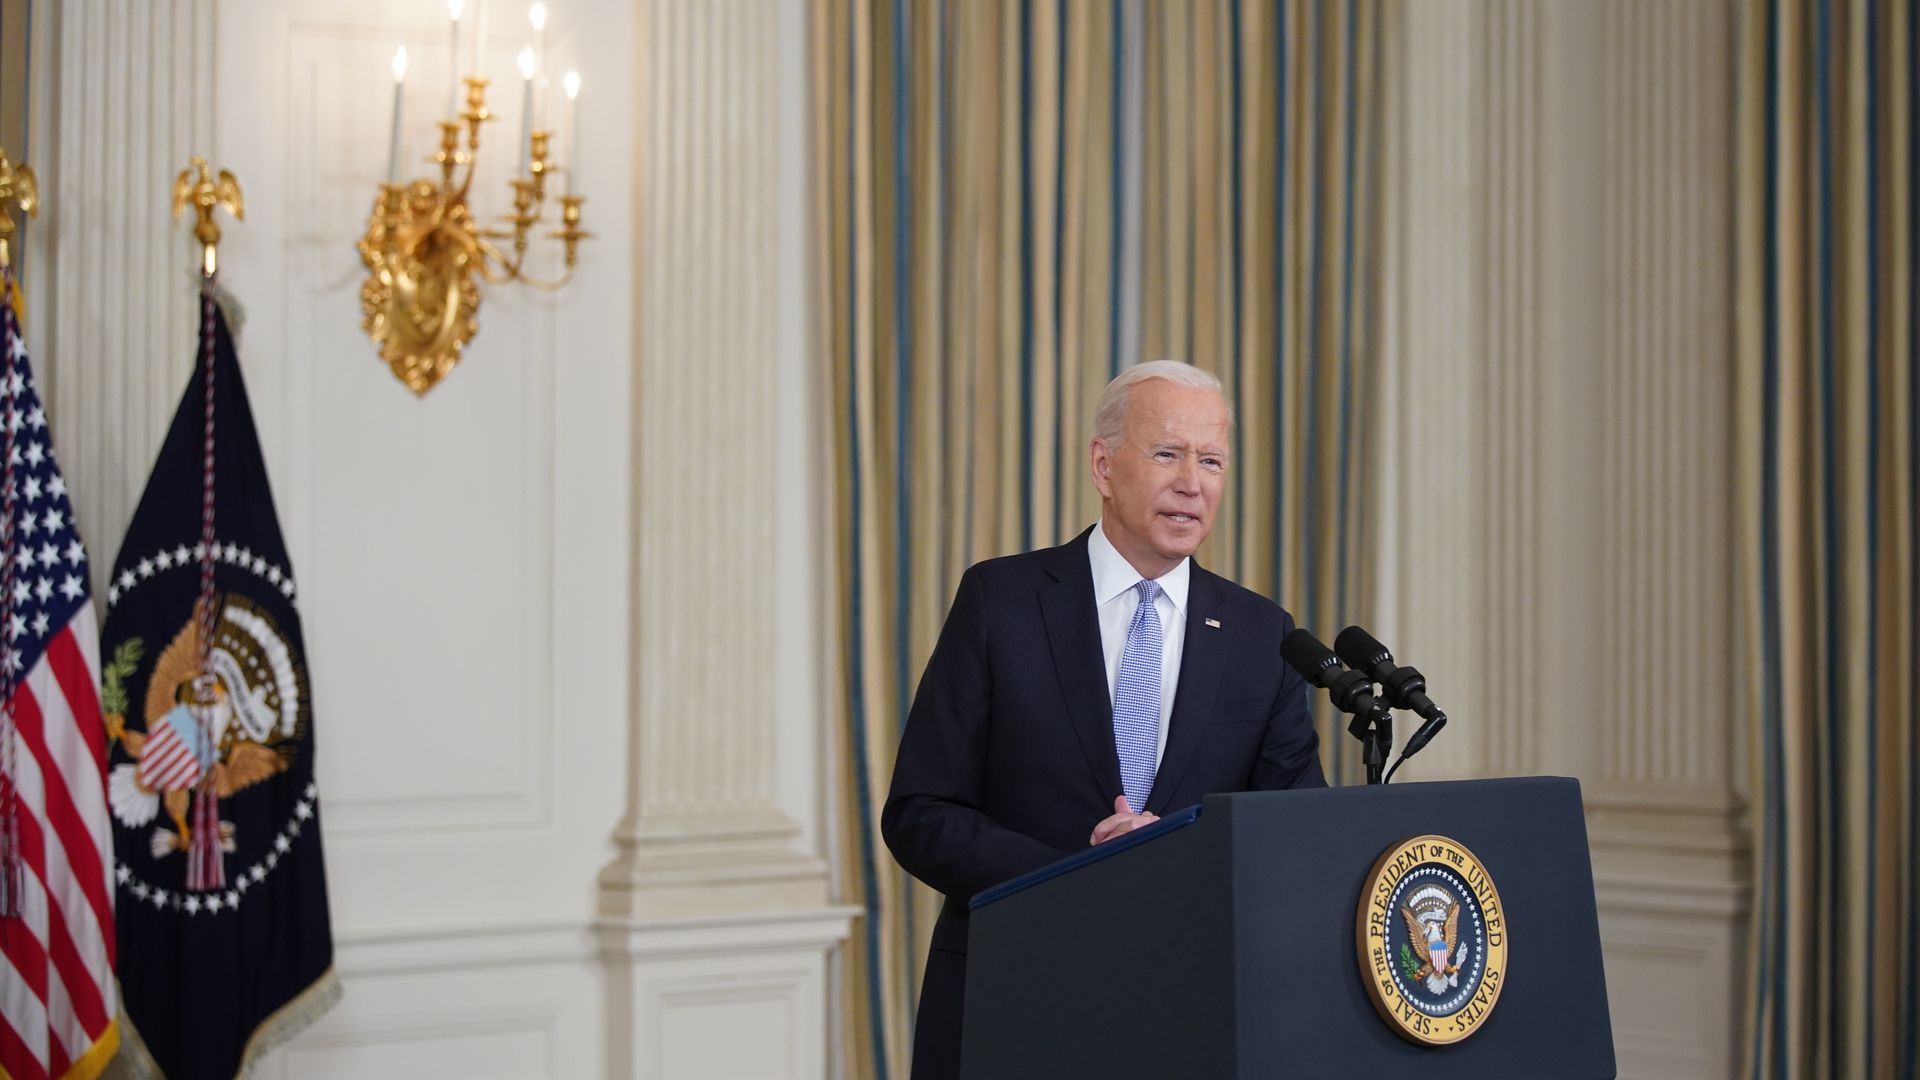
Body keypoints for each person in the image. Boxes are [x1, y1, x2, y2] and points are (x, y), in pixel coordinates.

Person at [881, 360, 1328, 1080]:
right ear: (1103, 464)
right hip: (1015, 999)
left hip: (1193, 1016)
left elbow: (1297, 839)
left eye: (1211, 460)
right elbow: (920, 812)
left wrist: (1178, 870)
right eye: (1166, 453)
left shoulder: (1261, 634)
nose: (1193, 481)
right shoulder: (1003, 601)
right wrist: (1078, 876)